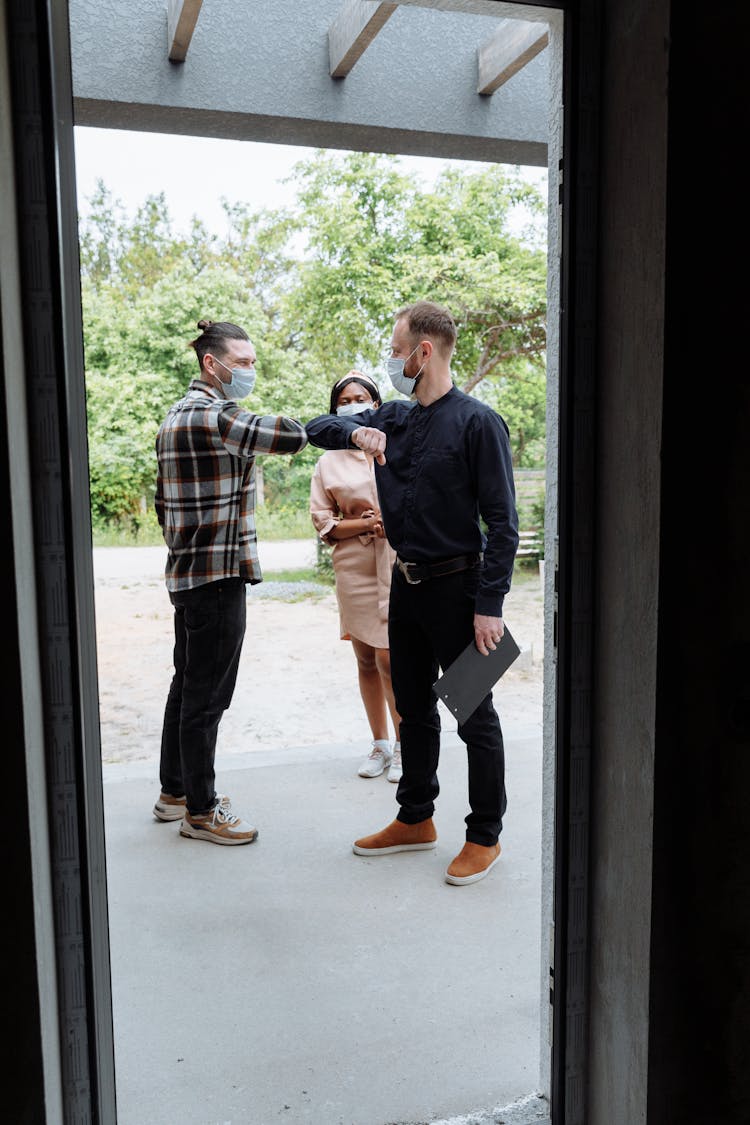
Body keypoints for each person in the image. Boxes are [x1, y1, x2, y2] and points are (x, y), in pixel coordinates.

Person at [305, 301, 519, 886]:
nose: (393, 361)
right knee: (414, 708)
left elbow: (503, 525)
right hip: (408, 585)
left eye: (398, 351)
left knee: (474, 714)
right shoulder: (395, 419)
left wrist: (490, 607)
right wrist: (356, 428)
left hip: (462, 589)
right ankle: (415, 819)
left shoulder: (478, 423)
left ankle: (484, 836)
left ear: (424, 353)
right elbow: (316, 428)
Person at [153, 319, 308, 844]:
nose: (250, 370)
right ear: (211, 364)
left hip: (186, 575)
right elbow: (289, 436)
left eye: (252, 361)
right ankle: (201, 810)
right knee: (208, 698)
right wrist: (342, 424)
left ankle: (173, 791)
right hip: (218, 578)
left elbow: (160, 505)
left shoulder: (173, 416)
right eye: (242, 362)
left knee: (185, 684)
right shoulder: (215, 416)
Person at [309, 371, 402, 782]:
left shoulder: (397, 448)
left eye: (361, 397)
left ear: (377, 404)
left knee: (390, 657)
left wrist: (391, 521)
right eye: (344, 400)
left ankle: (405, 745)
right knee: (365, 657)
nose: (353, 404)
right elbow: (323, 522)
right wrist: (363, 525)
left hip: (397, 562)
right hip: (353, 565)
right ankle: (379, 743)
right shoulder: (329, 461)